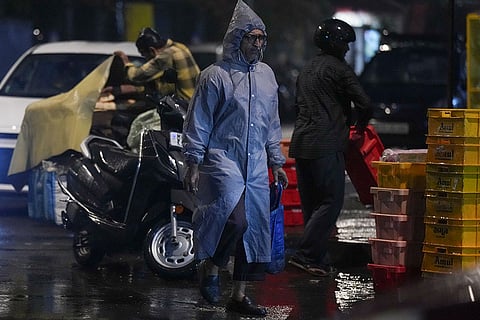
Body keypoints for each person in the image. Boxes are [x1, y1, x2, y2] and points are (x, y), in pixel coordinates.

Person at [182, 0, 288, 317]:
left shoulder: (267, 76)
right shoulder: (215, 76)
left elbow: (271, 122)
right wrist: (193, 161)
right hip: (222, 161)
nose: (257, 43)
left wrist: (276, 161)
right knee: (235, 220)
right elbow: (199, 121)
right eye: (251, 37)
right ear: (236, 39)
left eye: (261, 38)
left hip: (255, 165)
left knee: (254, 229)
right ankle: (212, 267)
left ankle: (239, 295)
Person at [287, 18, 372, 277]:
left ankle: (317, 259)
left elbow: (298, 105)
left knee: (313, 205)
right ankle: (305, 254)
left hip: (302, 144)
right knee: (331, 202)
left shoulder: (308, 68)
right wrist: (358, 127)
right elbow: (365, 104)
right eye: (345, 43)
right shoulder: (339, 70)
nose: (347, 48)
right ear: (335, 44)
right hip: (326, 144)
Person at [110, 27, 200, 101]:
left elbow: (136, 76)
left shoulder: (165, 56)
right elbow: (162, 87)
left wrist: (126, 61)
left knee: (140, 122)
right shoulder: (180, 47)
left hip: (185, 108)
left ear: (152, 50)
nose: (147, 60)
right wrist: (130, 89)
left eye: (145, 56)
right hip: (196, 104)